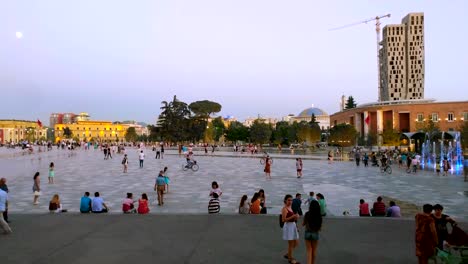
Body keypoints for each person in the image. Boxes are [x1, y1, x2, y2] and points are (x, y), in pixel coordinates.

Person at [282, 194, 300, 264]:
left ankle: (288, 254)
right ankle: (290, 259)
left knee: (296, 243)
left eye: (291, 200)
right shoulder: (284, 209)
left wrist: (295, 217)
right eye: (289, 200)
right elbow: (283, 220)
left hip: (293, 226)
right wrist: (293, 216)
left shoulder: (290, 207)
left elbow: (292, 218)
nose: (290, 201)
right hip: (288, 227)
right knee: (291, 244)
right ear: (285, 201)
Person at [303, 200, 322, 264]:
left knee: (309, 251)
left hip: (307, 233)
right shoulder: (319, 215)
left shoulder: (307, 214)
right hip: (315, 233)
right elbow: (320, 228)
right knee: (314, 250)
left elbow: (303, 224)